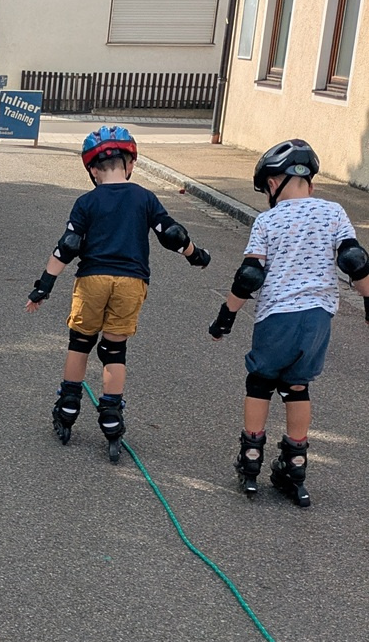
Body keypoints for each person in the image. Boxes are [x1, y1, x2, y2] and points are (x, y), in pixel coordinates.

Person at [26, 124, 211, 460]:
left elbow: (68, 246)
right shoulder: (144, 197)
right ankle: (111, 418)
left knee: (80, 343)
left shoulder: (86, 202)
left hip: (93, 279)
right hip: (131, 282)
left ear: (93, 171)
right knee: (114, 350)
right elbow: (171, 233)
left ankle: (68, 408)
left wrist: (44, 285)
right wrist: (195, 255)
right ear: (130, 165)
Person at [209, 138, 369, 506]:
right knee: (297, 386)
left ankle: (251, 458)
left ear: (272, 183)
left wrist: (226, 317)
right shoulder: (334, 212)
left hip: (276, 316)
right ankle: (295, 466)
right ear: (308, 180)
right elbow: (354, 260)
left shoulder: (267, 220)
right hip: (318, 318)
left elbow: (250, 275)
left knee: (260, 382)